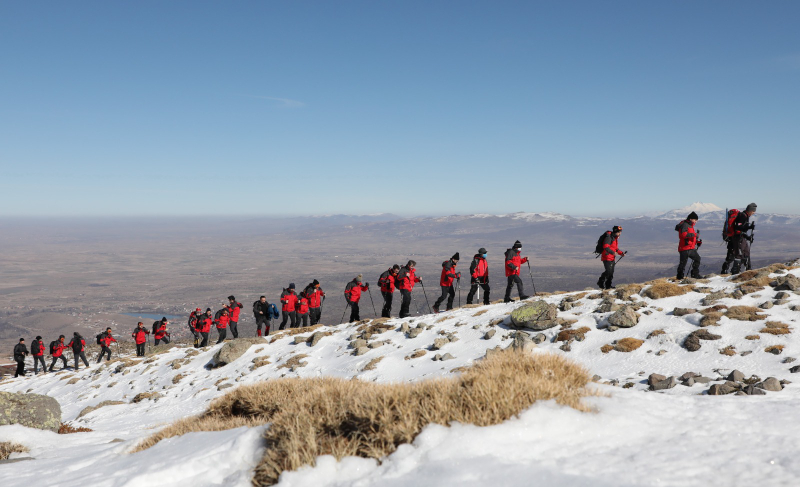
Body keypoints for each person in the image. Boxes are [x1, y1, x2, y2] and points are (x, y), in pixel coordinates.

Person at [722, 203, 757, 274]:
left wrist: (747, 237)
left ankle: (747, 269)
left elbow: (741, 230)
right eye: (753, 211)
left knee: (746, 252)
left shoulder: (745, 215)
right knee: (739, 255)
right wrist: (749, 227)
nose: (754, 213)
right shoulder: (743, 216)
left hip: (739, 237)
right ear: (750, 210)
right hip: (737, 238)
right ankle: (735, 272)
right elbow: (738, 227)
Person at [676, 212, 702, 280]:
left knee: (697, 259)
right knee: (683, 264)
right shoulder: (685, 225)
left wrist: (697, 242)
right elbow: (683, 235)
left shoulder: (690, 226)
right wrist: (695, 235)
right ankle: (680, 277)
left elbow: (690, 238)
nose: (696, 221)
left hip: (690, 248)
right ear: (691, 219)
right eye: (695, 220)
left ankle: (695, 275)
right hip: (684, 248)